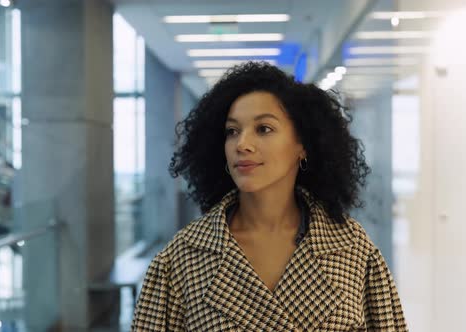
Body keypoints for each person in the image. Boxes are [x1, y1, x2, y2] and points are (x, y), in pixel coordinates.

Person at [131, 62, 407, 331]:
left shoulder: (353, 249)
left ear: (303, 145)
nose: (242, 144)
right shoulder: (181, 257)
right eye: (232, 131)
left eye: (264, 129)